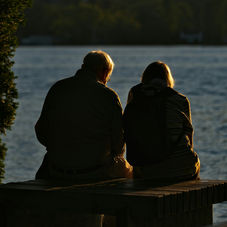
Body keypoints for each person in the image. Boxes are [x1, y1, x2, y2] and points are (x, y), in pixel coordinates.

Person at [35, 50, 132, 181]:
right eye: (108, 76)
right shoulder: (108, 95)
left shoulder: (58, 88)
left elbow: (41, 131)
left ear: (83, 67)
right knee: (131, 172)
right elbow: (119, 144)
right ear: (104, 72)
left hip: (57, 169)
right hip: (96, 171)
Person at [123, 61, 200, 182]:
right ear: (168, 78)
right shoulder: (180, 100)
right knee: (194, 163)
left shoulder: (135, 94)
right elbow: (189, 137)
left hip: (145, 170)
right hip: (182, 168)